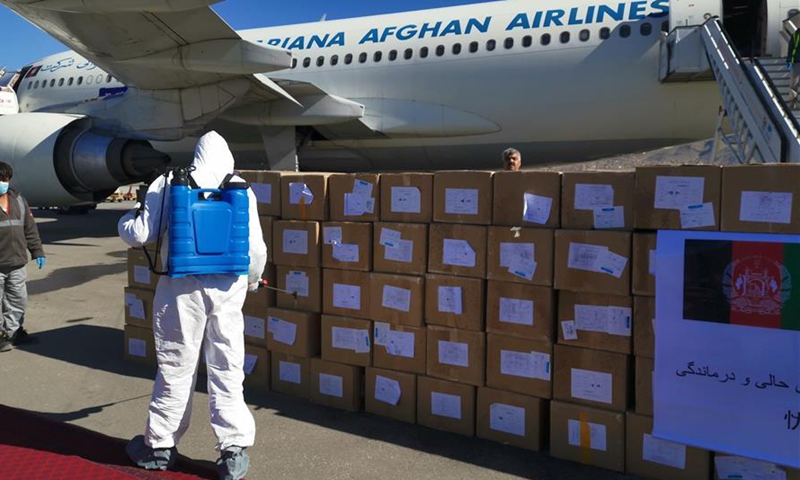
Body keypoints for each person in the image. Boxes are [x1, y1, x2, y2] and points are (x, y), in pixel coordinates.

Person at [118, 132, 267, 480]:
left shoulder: (170, 182)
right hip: (228, 289)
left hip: (182, 289)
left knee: (176, 366)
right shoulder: (241, 188)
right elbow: (256, 250)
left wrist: (124, 220)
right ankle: (233, 450)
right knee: (227, 367)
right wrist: (253, 280)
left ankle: (160, 446)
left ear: (197, 154)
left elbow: (140, 234)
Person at [0, 161, 45, 353]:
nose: (2, 183)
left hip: (17, 262)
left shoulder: (19, 201)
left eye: (4, 179)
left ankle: (14, 332)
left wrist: (37, 251)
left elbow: (30, 229)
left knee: (18, 300)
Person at [787, 28, 800, 109]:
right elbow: (791, 48)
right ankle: (792, 104)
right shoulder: (795, 35)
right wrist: (789, 60)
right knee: (794, 84)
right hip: (797, 62)